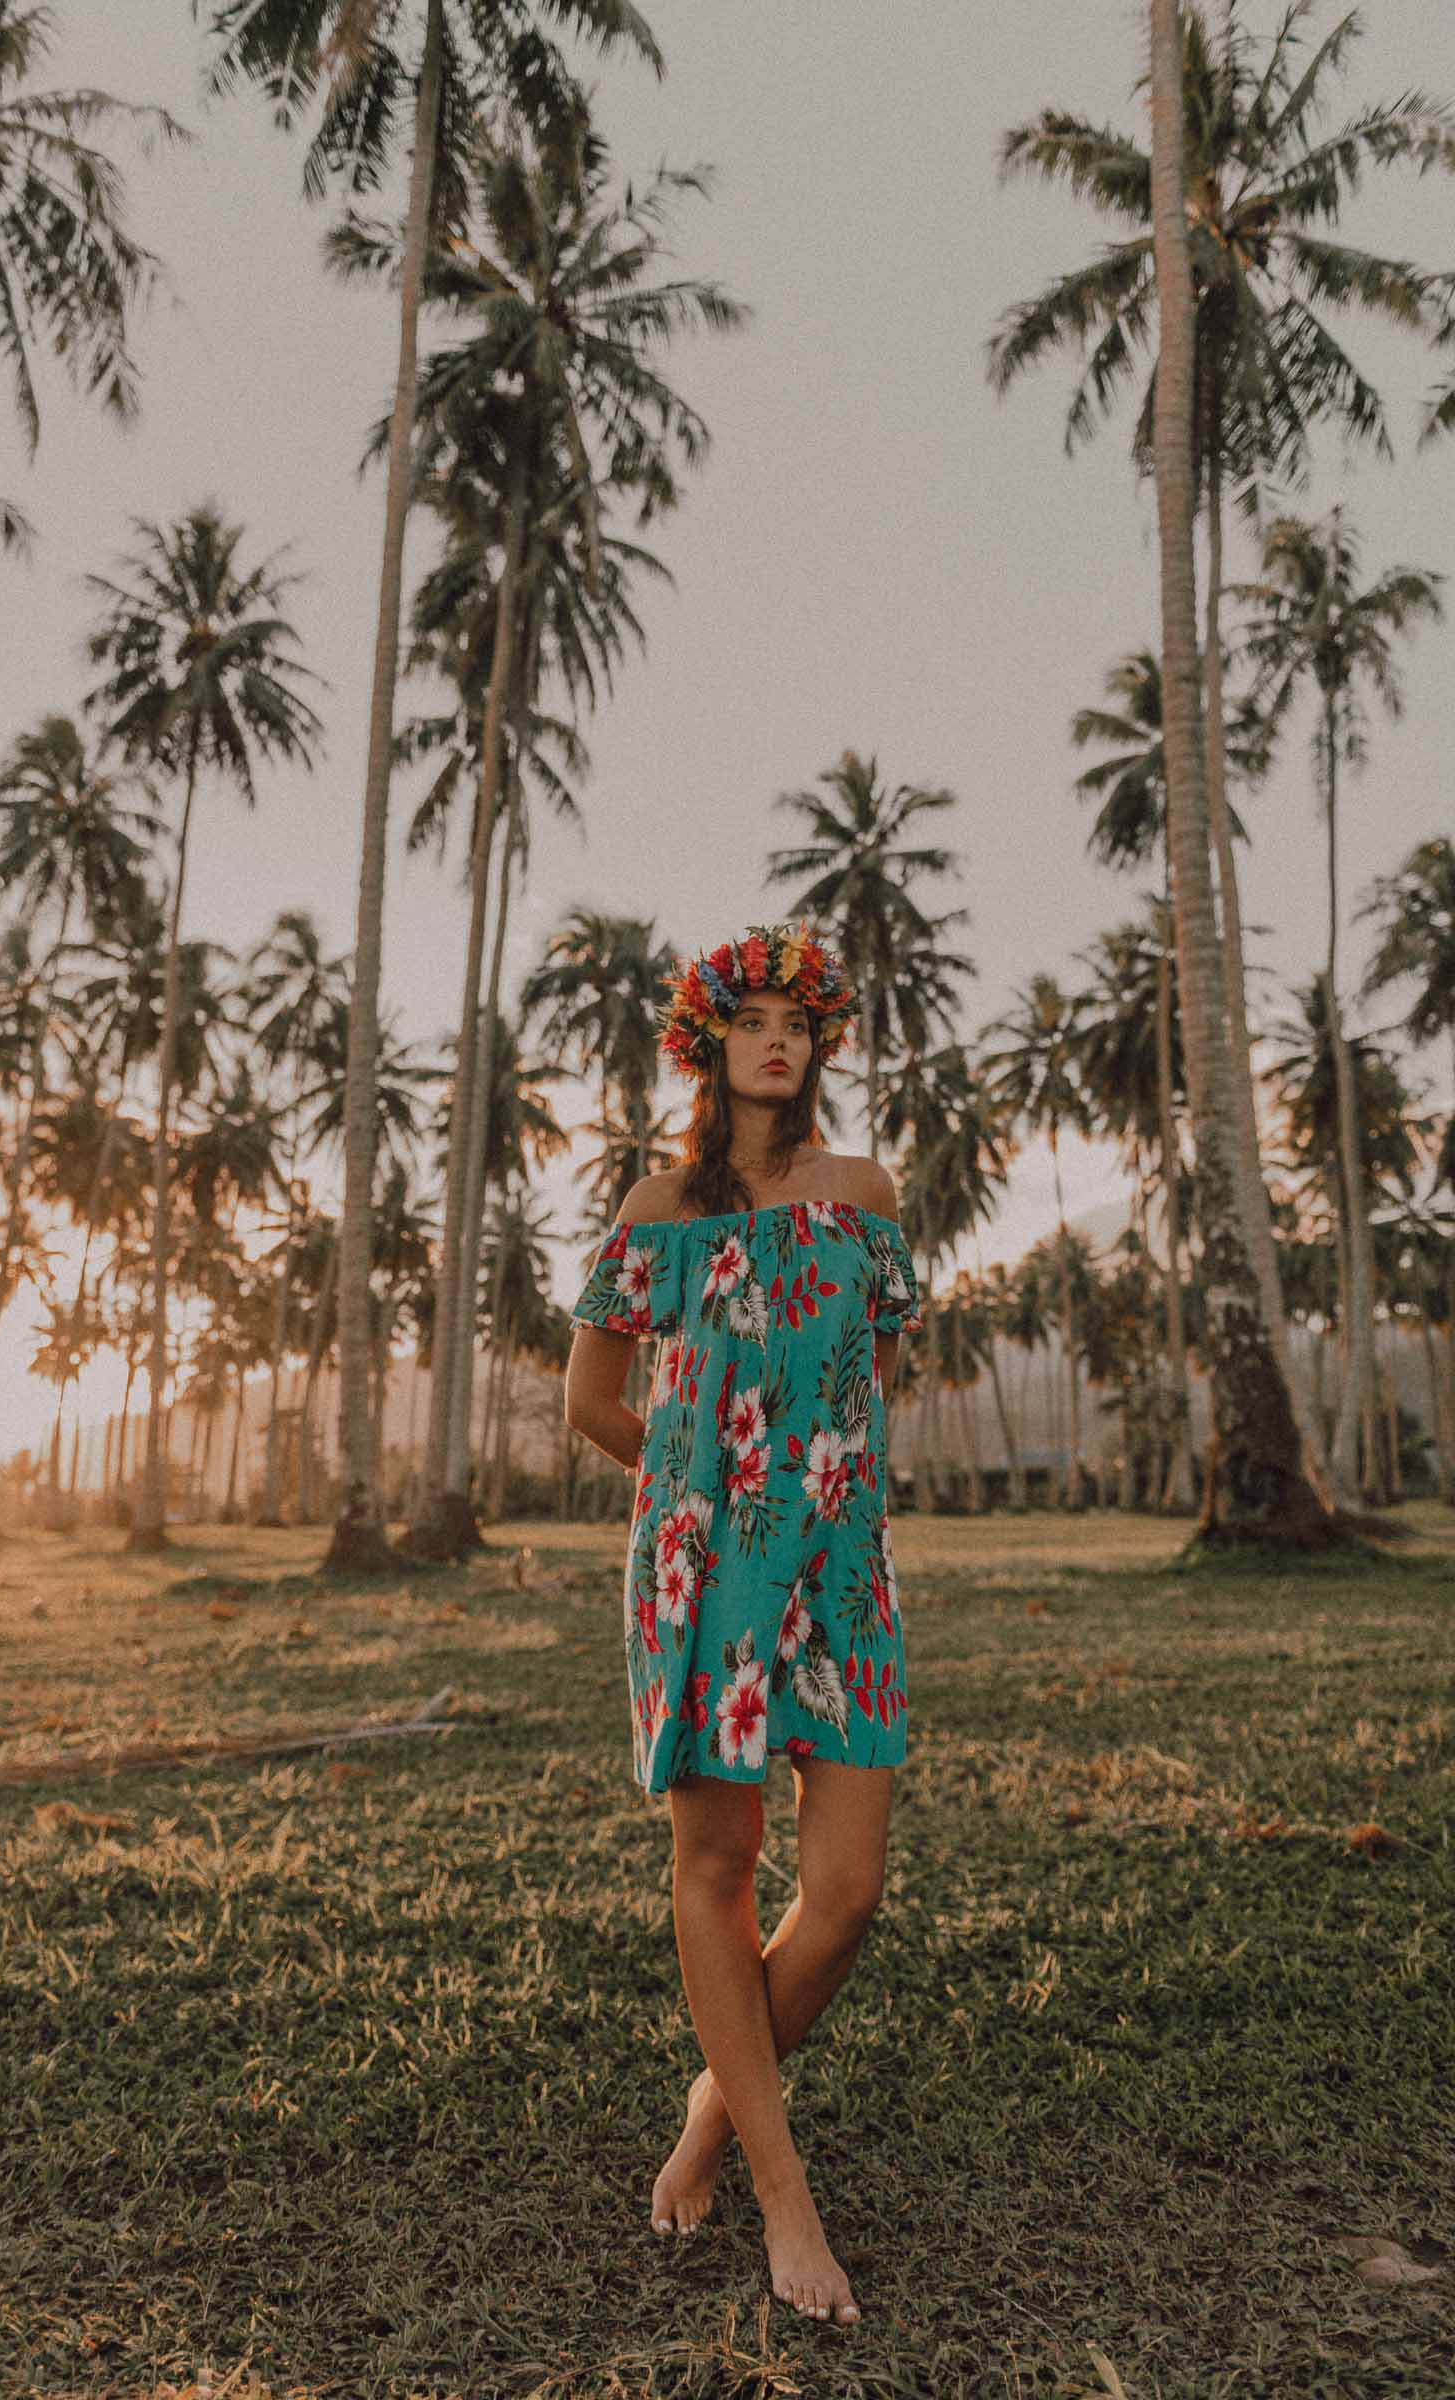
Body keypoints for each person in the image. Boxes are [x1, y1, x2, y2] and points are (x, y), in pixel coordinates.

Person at [563, 919, 924, 2330]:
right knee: (717, 1872)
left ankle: (717, 2108)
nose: (775, 1038)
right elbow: (593, 1401)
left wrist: (794, 1484)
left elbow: (868, 1380)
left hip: (838, 1568)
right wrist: (693, 1495)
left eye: (797, 1020)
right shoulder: (660, 1210)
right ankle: (783, 2192)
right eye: (750, 1018)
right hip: (703, 1572)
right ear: (710, 1041)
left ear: (820, 1043)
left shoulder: (864, 1193)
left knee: (845, 1893)